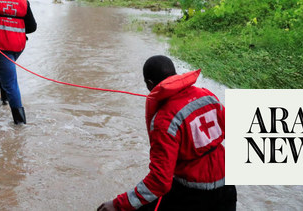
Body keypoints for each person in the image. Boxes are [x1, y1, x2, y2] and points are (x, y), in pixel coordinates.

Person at [97, 55, 236, 211]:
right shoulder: (207, 96)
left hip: (193, 193)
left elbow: (159, 181)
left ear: (150, 84)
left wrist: (117, 204)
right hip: (228, 187)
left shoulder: (164, 121)